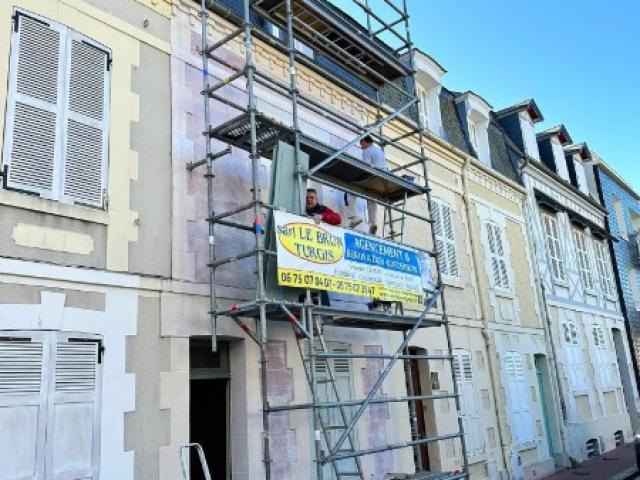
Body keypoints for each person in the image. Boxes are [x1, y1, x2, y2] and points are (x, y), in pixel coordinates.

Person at [345, 135, 386, 235]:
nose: (361, 146)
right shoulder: (379, 151)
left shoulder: (367, 150)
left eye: (361, 143)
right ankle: (373, 223)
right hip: (380, 180)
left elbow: (365, 167)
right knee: (372, 200)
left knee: (350, 193)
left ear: (365, 141)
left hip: (371, 178)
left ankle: (354, 217)